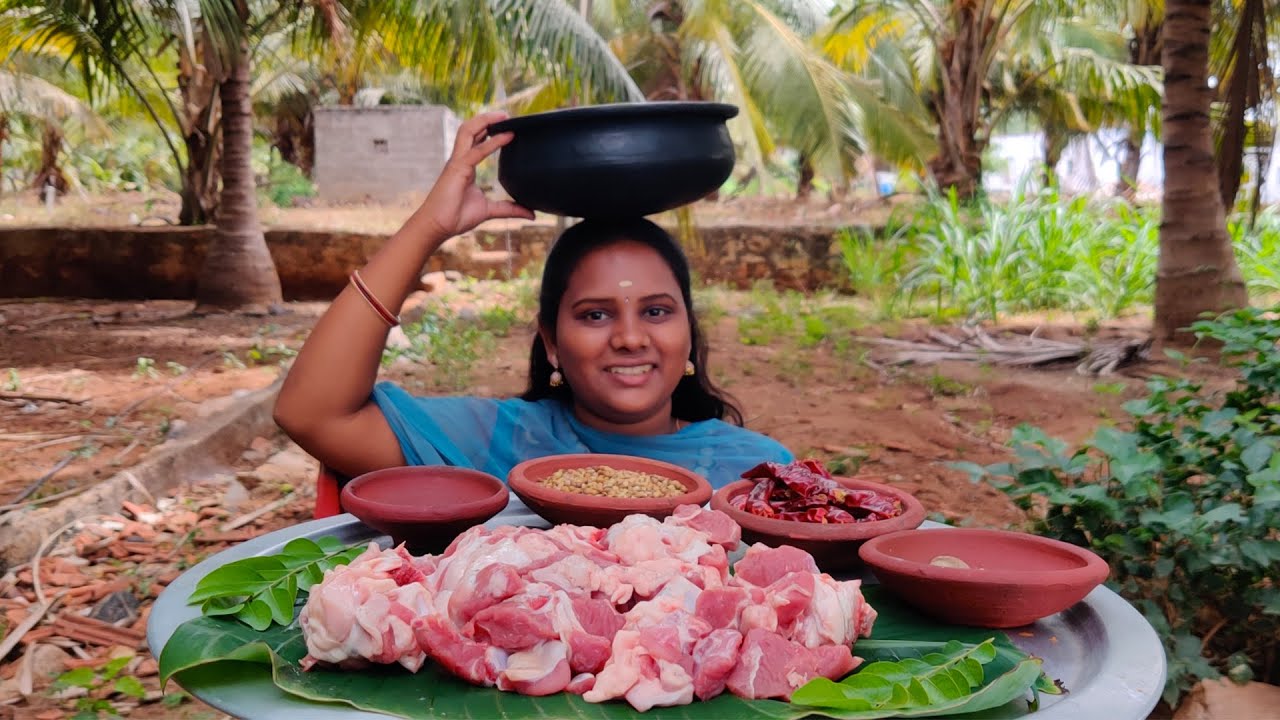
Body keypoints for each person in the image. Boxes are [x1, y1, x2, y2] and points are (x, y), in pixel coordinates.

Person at [273, 112, 792, 493]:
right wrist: (430, 226)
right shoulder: (497, 444)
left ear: (690, 334)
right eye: (595, 314)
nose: (631, 338)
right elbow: (311, 413)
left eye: (656, 311)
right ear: (552, 343)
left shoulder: (758, 471)